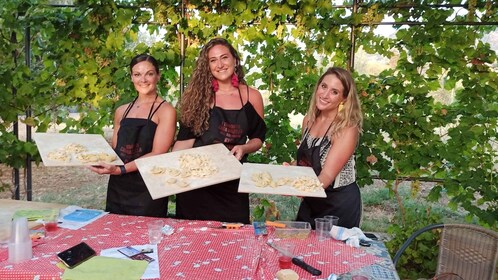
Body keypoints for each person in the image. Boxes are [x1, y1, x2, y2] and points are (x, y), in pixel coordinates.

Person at [173, 38, 266, 224]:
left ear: (235, 60)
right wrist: (167, 167)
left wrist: (244, 148)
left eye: (224, 57)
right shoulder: (197, 99)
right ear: (207, 66)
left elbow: (258, 138)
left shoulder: (251, 96)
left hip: (232, 186)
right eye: (213, 60)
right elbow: (184, 143)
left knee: (233, 240)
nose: (220, 64)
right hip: (197, 185)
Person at [89, 54, 176, 217]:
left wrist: (121, 169)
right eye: (137, 74)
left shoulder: (166, 111)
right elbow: (117, 150)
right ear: (131, 77)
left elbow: (158, 153)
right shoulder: (121, 111)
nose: (143, 79)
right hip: (118, 186)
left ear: (158, 76)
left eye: (149, 73)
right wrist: (90, 155)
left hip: (149, 188)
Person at [294, 67, 363, 229]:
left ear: (344, 99)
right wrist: (291, 170)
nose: (325, 95)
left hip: (337, 206)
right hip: (311, 200)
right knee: (300, 250)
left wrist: (292, 188)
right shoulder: (308, 121)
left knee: (330, 253)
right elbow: (308, 163)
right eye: (324, 86)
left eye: (334, 92)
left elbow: (326, 175)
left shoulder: (346, 128)